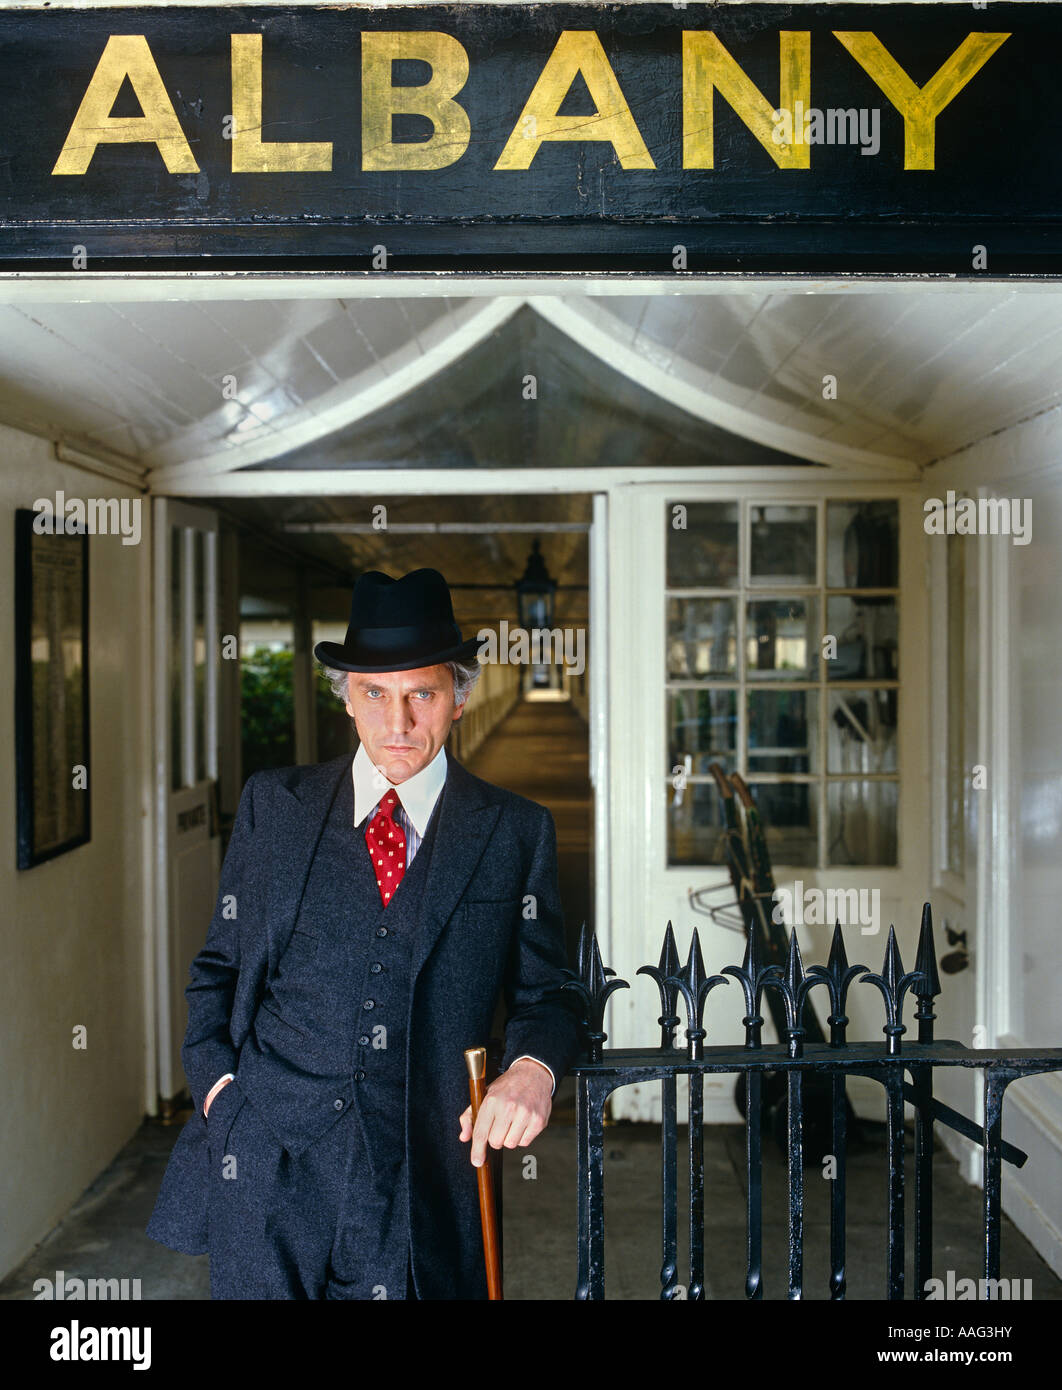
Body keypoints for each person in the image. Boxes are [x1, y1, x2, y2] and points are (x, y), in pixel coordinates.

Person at [147, 567, 581, 1299]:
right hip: (267, 1169)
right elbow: (217, 968)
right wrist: (222, 1094)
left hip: (418, 1181)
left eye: (423, 693)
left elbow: (553, 992)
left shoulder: (513, 831)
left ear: (461, 695)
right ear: (345, 696)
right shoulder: (274, 808)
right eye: (375, 693)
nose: (398, 723)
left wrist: (533, 1070)